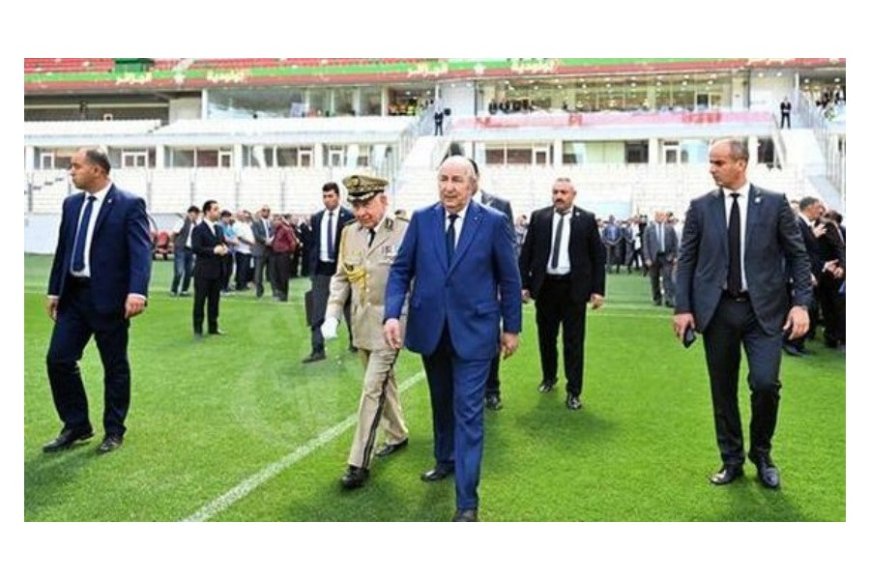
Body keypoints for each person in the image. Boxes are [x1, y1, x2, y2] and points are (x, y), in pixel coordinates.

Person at [384, 156, 522, 522]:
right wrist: (391, 314)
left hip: (475, 334)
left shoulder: (492, 222)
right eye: (443, 178)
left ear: (472, 185)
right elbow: (401, 271)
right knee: (441, 403)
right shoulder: (422, 219)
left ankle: (467, 502)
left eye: (457, 180)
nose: (448, 186)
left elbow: (509, 278)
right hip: (431, 330)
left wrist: (512, 327)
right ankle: (444, 460)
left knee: (469, 413)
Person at [673, 138, 812, 490]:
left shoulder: (775, 204)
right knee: (722, 389)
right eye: (711, 162)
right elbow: (686, 260)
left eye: (719, 162)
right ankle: (731, 459)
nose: (712, 168)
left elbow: (797, 256)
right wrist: (683, 308)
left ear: (741, 163)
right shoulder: (700, 207)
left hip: (764, 311)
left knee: (766, 384)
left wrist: (800, 304)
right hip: (717, 310)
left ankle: (762, 454)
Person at [44, 147, 152, 454]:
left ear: (97, 170)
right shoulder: (71, 204)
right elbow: (63, 249)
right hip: (74, 297)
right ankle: (77, 424)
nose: (71, 171)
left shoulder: (129, 204)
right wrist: (55, 290)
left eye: (76, 166)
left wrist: (137, 291)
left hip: (110, 299)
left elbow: (140, 251)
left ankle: (114, 430)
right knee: (59, 359)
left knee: (114, 366)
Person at [320, 175, 410, 489]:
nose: (360, 211)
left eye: (366, 203)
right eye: (355, 204)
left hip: (391, 325)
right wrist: (332, 315)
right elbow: (341, 279)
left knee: (372, 388)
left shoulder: (403, 230)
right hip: (360, 324)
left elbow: (415, 279)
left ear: (383, 200)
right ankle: (398, 434)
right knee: (384, 383)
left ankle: (358, 462)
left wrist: (402, 316)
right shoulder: (349, 234)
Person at [518, 177, 606, 411]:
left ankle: (574, 391)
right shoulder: (540, 217)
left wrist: (598, 290)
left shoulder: (586, 220)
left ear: (573, 194)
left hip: (574, 289)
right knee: (546, 338)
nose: (559, 196)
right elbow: (526, 253)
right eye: (555, 191)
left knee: (574, 341)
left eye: (564, 192)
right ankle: (549, 377)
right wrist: (524, 284)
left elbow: (598, 256)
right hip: (546, 287)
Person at [467, 157, 514, 411]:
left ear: (475, 178)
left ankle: (492, 388)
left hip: (489, 288)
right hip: (460, 291)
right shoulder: (443, 207)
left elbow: (508, 249)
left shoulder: (500, 206)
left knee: (490, 337)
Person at [303, 182, 354, 362]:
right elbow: (312, 244)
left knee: (349, 307)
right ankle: (317, 349)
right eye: (324, 196)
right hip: (321, 270)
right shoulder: (317, 218)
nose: (327, 200)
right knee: (317, 311)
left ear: (338, 196)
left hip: (343, 270)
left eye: (330, 196)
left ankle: (355, 341)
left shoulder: (349, 217)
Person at [192, 200, 229, 338]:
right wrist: (213, 250)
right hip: (203, 271)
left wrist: (224, 248)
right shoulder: (198, 229)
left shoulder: (219, 228)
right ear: (207, 211)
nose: (218, 211)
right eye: (215, 209)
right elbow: (196, 248)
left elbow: (222, 243)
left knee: (215, 300)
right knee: (200, 300)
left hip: (217, 270)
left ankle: (213, 327)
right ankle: (198, 329)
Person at [642, 211, 679, 307]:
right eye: (658, 215)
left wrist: (675, 256)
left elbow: (675, 243)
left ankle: (669, 299)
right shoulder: (649, 229)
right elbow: (645, 245)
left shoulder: (670, 228)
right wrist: (647, 258)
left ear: (664, 217)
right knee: (654, 279)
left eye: (662, 215)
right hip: (653, 257)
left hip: (667, 257)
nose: (660, 217)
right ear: (655, 217)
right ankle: (657, 299)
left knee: (668, 279)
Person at [170, 205, 199, 296]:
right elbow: (174, 233)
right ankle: (174, 290)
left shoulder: (196, 225)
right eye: (194, 214)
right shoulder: (182, 221)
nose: (195, 216)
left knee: (189, 271)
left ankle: (184, 290)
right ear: (190, 213)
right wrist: (172, 243)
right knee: (179, 271)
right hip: (181, 248)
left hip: (191, 250)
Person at [251, 205, 274, 299]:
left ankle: (275, 291)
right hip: (260, 250)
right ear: (261, 212)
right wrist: (265, 240)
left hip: (270, 250)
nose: (266, 212)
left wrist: (271, 240)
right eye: (264, 210)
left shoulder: (271, 223)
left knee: (272, 272)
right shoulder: (256, 223)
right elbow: (256, 235)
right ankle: (259, 291)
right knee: (258, 273)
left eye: (268, 210)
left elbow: (274, 233)